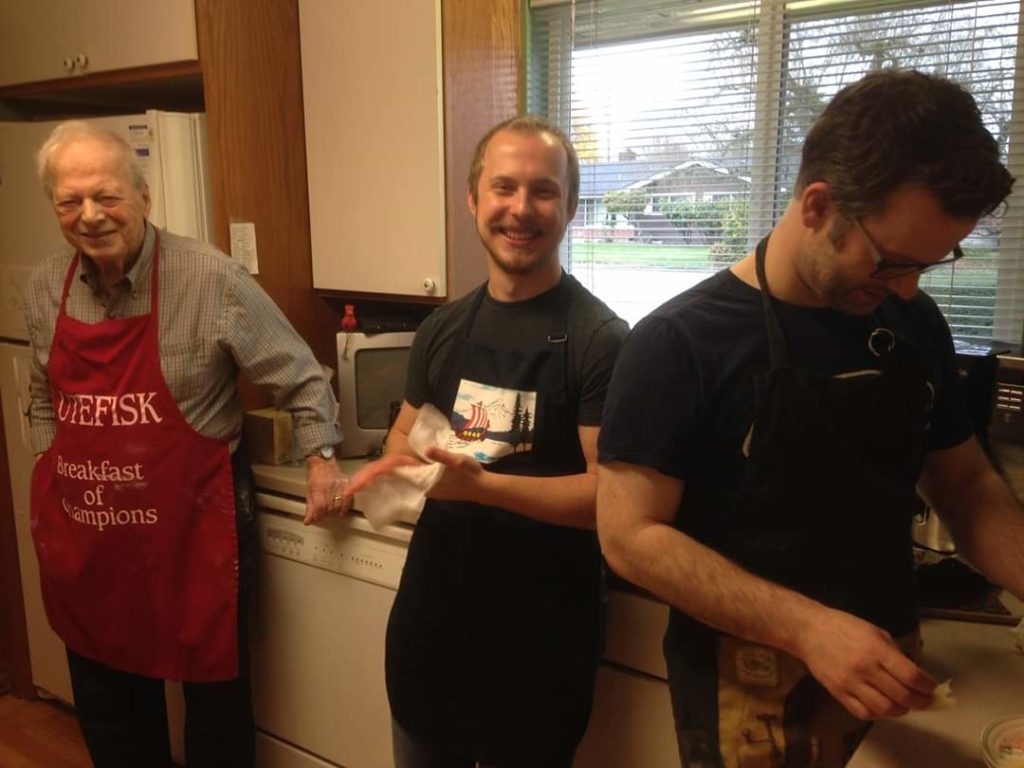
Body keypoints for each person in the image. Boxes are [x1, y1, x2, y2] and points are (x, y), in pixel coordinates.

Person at [596, 69, 1024, 768]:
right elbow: (629, 536)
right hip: (748, 694)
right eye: (890, 262)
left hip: (890, 672)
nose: (910, 288)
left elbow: (967, 487)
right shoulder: (680, 343)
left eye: (934, 261)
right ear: (818, 206)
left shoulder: (912, 323)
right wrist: (809, 628)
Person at [25, 120, 352, 768]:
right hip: (91, 543)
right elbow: (42, 393)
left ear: (143, 196)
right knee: (109, 709)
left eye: (107, 196)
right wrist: (45, 460)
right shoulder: (44, 288)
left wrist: (322, 461)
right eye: (70, 201)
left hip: (195, 536)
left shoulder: (212, 280)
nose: (90, 216)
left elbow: (302, 378)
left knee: (216, 713)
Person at [347, 115, 628, 767]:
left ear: (570, 206)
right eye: (503, 188)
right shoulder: (444, 328)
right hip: (433, 628)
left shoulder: (599, 340)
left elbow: (610, 498)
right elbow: (404, 445)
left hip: (541, 646)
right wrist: (378, 480)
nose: (520, 210)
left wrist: (481, 486)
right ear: (473, 199)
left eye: (543, 191)